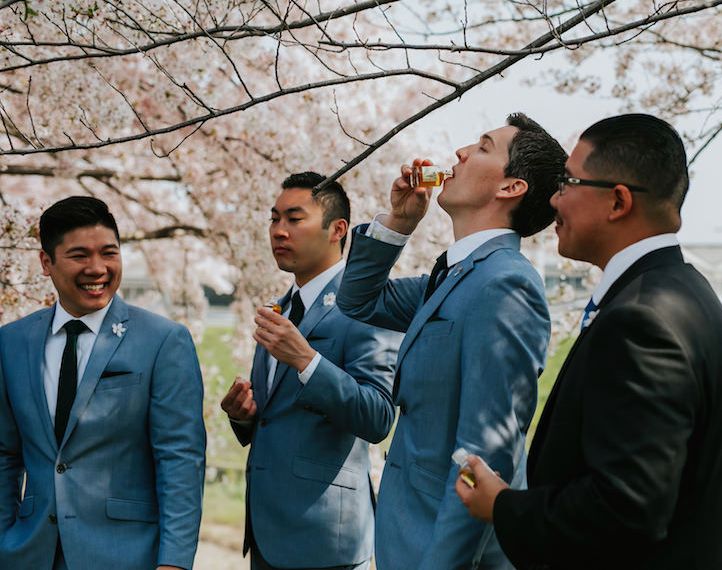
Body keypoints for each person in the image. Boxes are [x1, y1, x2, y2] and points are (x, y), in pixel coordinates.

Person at [456, 114, 722, 569]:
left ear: (618, 201)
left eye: (569, 182)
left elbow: (625, 509)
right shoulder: (688, 293)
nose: (554, 199)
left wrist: (502, 507)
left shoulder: (640, 322)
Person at [336, 113, 567, 570]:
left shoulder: (505, 285)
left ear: (511, 187)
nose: (460, 152)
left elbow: (487, 452)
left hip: (444, 550)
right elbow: (358, 301)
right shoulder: (456, 276)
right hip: (407, 536)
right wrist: (398, 224)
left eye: (482, 147)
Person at [0, 196, 205, 570]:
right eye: (80, 255)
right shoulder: (10, 342)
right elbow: (4, 454)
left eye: (109, 253)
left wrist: (174, 563)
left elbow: (179, 459)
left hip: (128, 556)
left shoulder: (163, 340)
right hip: (28, 554)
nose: (98, 268)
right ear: (46, 263)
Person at [220, 172, 400, 570]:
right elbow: (279, 417)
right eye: (273, 219)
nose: (279, 232)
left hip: (326, 540)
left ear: (338, 229)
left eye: (294, 219)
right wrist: (245, 416)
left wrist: (307, 361)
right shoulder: (280, 309)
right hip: (266, 535)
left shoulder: (368, 307)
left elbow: (377, 416)